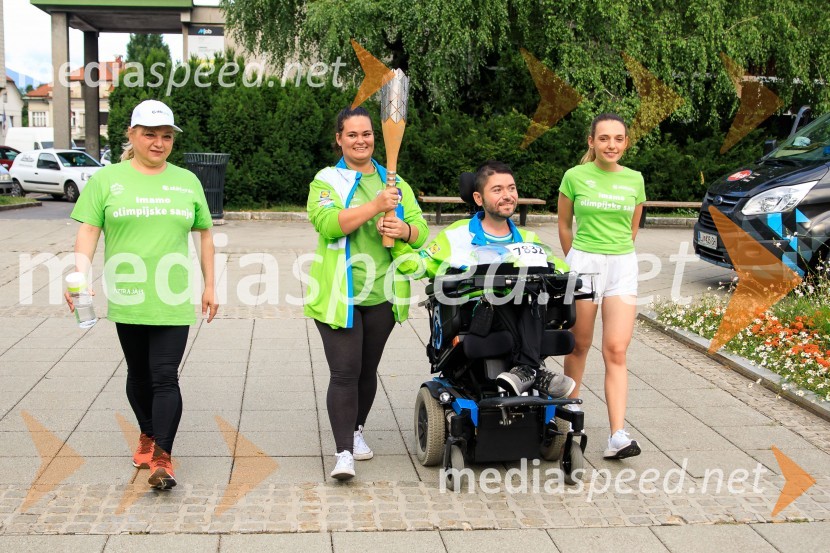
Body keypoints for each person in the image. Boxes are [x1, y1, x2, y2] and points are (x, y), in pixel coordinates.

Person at [66, 99, 217, 489]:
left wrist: (211, 284)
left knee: (165, 375)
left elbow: (204, 236)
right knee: (138, 373)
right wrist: (79, 277)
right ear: (131, 135)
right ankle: (148, 433)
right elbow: (88, 231)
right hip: (129, 294)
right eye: (149, 134)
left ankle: (162, 459)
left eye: (166, 136)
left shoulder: (187, 181)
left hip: (172, 294)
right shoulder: (107, 180)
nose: (158, 142)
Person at [305, 106, 429, 480]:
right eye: (353, 134)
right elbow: (329, 224)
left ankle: (356, 431)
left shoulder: (395, 182)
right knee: (344, 371)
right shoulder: (327, 181)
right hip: (338, 293)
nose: (362, 140)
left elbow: (421, 229)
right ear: (339, 139)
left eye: (367, 134)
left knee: (366, 370)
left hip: (384, 292)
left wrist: (402, 228)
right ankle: (343, 453)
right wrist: (375, 206)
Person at [389, 160, 576, 399]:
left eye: (511, 188)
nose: (507, 195)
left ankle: (525, 370)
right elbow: (418, 266)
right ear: (478, 198)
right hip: (478, 314)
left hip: (524, 311)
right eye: (497, 190)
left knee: (536, 288)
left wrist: (571, 278)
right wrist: (395, 239)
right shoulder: (457, 235)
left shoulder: (528, 240)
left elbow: (557, 270)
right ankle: (533, 371)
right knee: (504, 291)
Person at [557, 113, 645, 460]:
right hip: (584, 264)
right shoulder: (574, 176)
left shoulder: (635, 180)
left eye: (619, 139)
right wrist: (575, 262)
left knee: (616, 350)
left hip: (623, 266)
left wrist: (614, 255)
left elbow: (632, 228)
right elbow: (564, 224)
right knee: (579, 345)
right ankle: (567, 424)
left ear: (626, 143)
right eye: (604, 138)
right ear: (591, 142)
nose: (612, 145)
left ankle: (617, 435)